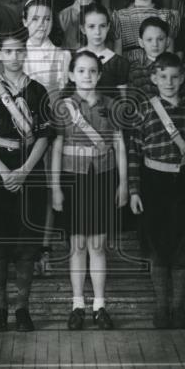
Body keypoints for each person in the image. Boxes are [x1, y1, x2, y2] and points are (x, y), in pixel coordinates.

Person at [0, 30, 52, 332]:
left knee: (25, 245)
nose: (15, 57)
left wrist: (24, 171)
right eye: (9, 52)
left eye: (20, 51)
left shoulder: (38, 91)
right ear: (0, 56)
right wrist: (4, 171)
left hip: (29, 171)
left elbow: (44, 136)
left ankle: (22, 309)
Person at [127, 52, 185, 329]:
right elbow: (133, 153)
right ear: (153, 78)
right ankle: (161, 307)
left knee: (184, 247)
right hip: (154, 182)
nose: (169, 82)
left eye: (175, 77)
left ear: (183, 78)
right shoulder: (144, 110)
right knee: (158, 248)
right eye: (163, 77)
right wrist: (135, 190)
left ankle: (179, 307)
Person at [51, 51, 128, 330]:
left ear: (99, 74)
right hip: (73, 178)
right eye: (81, 71)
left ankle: (99, 305)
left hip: (104, 178)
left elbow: (119, 144)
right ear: (72, 75)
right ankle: (77, 304)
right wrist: (55, 187)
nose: (87, 76)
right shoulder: (63, 106)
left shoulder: (111, 104)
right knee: (77, 245)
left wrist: (123, 183)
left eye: (93, 71)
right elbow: (57, 147)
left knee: (97, 245)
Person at [111, 0, 178, 65]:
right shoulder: (119, 16)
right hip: (129, 70)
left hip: (158, 69)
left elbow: (169, 56)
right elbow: (118, 55)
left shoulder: (167, 15)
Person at [22, 0, 70, 97]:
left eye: (47, 19)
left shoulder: (62, 56)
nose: (41, 24)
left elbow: (62, 94)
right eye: (35, 19)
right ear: (25, 21)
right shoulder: (16, 53)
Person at [79, 3, 130, 96]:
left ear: (108, 27)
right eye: (91, 26)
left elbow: (123, 101)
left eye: (102, 26)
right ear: (83, 29)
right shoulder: (73, 57)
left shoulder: (119, 63)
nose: (97, 32)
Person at [128, 17, 172, 97]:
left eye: (160, 39)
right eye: (149, 40)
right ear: (141, 42)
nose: (155, 44)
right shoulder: (135, 71)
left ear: (168, 41)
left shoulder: (175, 66)